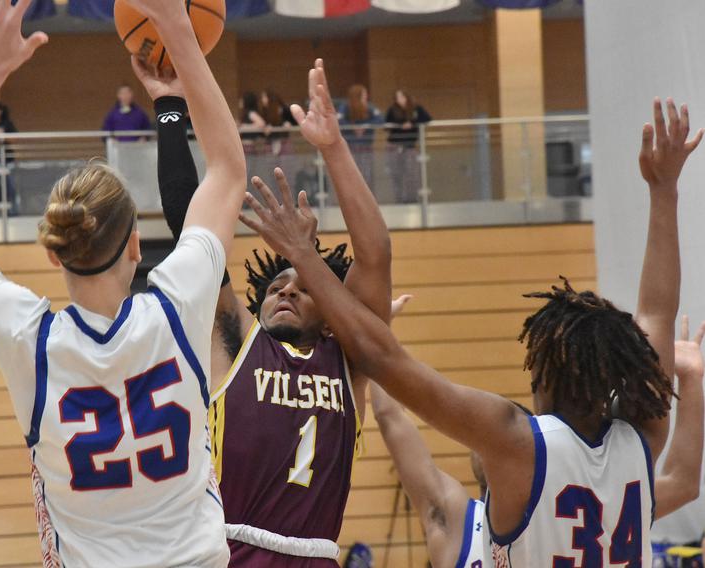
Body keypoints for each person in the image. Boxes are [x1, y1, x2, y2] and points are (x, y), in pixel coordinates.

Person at [240, 97, 702, 567]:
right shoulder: (643, 440)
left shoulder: (519, 442)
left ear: (542, 372)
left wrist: (305, 256)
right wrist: (664, 190)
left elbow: (383, 359)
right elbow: (658, 316)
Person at [0, 0, 245, 565]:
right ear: (137, 247)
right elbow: (227, 169)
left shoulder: (31, 341)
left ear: (53, 254)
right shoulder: (178, 307)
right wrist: (177, 38)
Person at [135, 57, 391, 566]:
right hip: (227, 551)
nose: (287, 291)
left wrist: (333, 150)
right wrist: (169, 109)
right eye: (276, 286)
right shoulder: (238, 343)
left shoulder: (351, 360)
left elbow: (376, 254)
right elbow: (193, 228)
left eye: (303, 287)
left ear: (331, 312)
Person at [372, 294, 705, 568]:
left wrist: (374, 335)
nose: (485, 440)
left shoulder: (589, 492)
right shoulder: (455, 515)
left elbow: (682, 484)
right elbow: (391, 418)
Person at [384, 90, 431, 204]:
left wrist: (412, 123)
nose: (399, 99)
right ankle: (399, 199)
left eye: (401, 96)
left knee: (411, 174)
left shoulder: (416, 109)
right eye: (397, 97)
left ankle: (411, 199)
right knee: (396, 173)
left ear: (407, 97)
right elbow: (386, 124)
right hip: (394, 145)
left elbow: (427, 119)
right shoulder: (392, 110)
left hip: (409, 146)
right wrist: (400, 125)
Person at [337, 85, 381, 192]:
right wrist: (352, 127)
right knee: (351, 174)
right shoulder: (345, 107)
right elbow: (338, 120)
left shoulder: (369, 107)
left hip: (366, 147)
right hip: (350, 147)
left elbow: (380, 119)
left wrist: (366, 125)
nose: (366, 96)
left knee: (367, 175)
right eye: (364, 94)